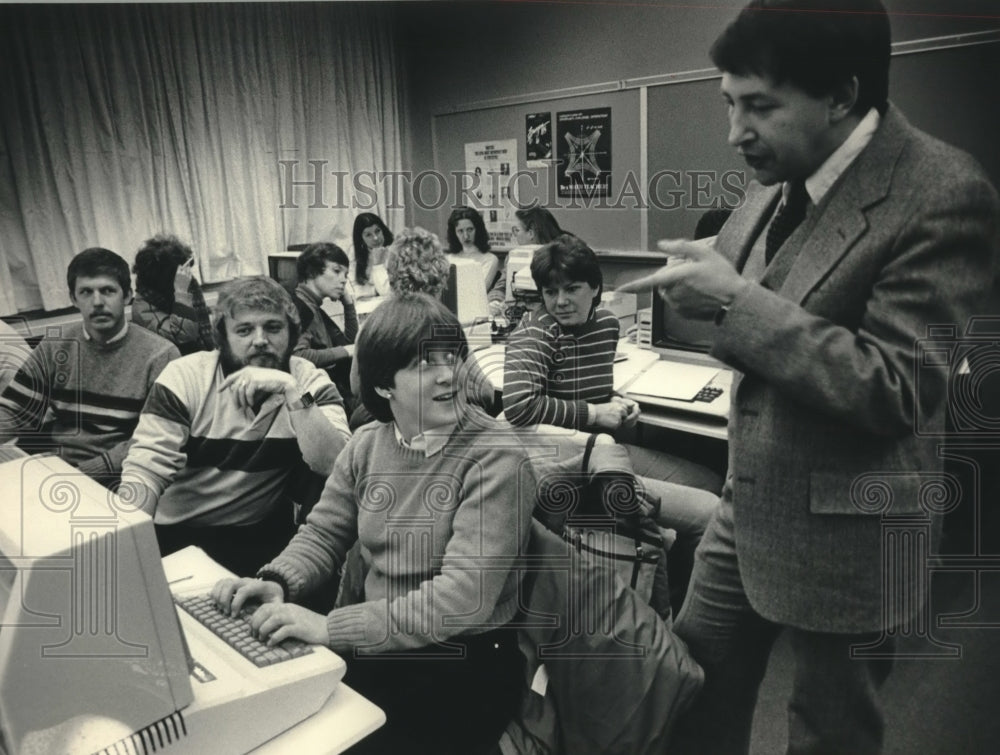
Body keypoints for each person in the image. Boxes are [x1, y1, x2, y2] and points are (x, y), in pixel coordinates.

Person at [618, 2, 1000, 752]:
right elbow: (745, 298)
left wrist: (732, 300)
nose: (734, 132)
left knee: (829, 731)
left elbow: (897, 385)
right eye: (729, 104)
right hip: (750, 498)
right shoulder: (772, 176)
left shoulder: (945, 192)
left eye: (759, 106)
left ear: (840, 95)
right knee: (689, 685)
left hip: (857, 521)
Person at [210, 294, 534, 754]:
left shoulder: (495, 456)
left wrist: (331, 629)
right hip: (379, 642)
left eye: (453, 356)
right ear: (384, 385)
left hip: (460, 662)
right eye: (425, 364)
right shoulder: (367, 444)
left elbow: (464, 599)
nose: (449, 374)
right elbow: (324, 533)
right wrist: (278, 580)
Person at [119, 276, 351, 576]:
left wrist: (293, 393)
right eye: (244, 330)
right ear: (222, 337)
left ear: (292, 333)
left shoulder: (307, 380)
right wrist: (127, 544)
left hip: (260, 533)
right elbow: (145, 472)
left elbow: (337, 466)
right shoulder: (185, 377)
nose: (260, 340)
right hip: (178, 533)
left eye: (273, 327)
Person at [0, 248, 179, 484]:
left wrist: (83, 475)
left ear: (126, 296)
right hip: (57, 471)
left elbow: (153, 440)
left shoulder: (161, 355)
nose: (97, 302)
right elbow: (15, 410)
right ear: (74, 299)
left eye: (107, 291)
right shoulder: (55, 346)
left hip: (125, 477)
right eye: (86, 292)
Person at [349, 227, 495, 423]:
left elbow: (356, 388)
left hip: (385, 421)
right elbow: (485, 393)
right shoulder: (441, 325)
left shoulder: (371, 326)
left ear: (391, 274)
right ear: (441, 276)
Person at [291, 242, 358, 410]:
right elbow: (298, 357)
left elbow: (348, 343)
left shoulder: (314, 307)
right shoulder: (300, 309)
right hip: (312, 398)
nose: (344, 280)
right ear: (312, 272)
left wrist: (348, 305)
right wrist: (347, 351)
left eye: (345, 274)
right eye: (336, 271)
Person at [131, 233, 215, 355]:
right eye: (180, 270)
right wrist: (181, 291)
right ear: (166, 276)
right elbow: (184, 335)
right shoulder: (143, 307)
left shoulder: (174, 289)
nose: (186, 274)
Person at [490, 205, 567, 314]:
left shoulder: (565, 255)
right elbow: (500, 288)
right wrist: (495, 301)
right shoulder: (513, 257)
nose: (514, 235)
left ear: (531, 233)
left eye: (516, 230)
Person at [445, 206, 501, 289]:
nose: (466, 236)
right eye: (460, 231)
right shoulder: (447, 259)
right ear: (454, 233)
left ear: (478, 230)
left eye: (470, 229)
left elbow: (480, 290)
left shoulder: (490, 259)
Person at [349, 212, 394, 298]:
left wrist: (378, 265)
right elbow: (354, 290)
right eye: (368, 235)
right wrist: (375, 290)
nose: (375, 238)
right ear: (361, 239)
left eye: (377, 231)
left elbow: (388, 293)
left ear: (383, 230)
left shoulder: (396, 251)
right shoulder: (354, 253)